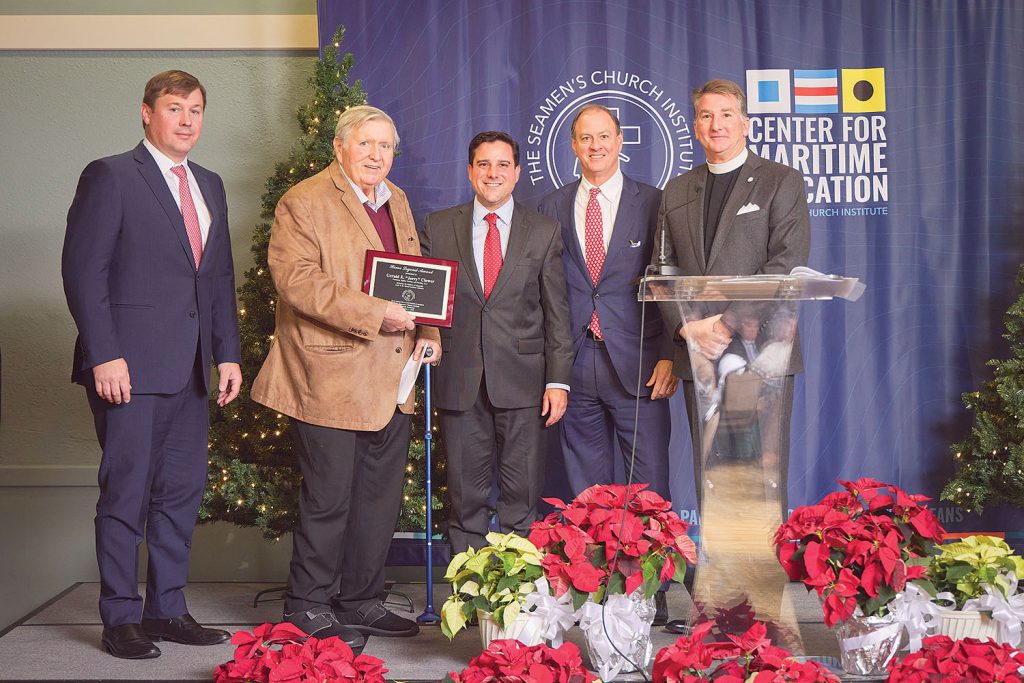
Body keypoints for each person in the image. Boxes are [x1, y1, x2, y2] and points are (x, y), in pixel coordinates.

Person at [62, 70, 242, 659]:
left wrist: (227, 354)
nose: (186, 120)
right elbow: (83, 272)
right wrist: (104, 354)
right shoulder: (112, 175)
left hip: (191, 370)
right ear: (146, 113)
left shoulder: (210, 185)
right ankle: (120, 619)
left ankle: (166, 609)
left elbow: (216, 278)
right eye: (173, 108)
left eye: (195, 110)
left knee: (179, 494)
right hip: (127, 370)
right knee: (126, 494)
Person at [250, 105, 441, 650]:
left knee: (378, 502)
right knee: (328, 499)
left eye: (385, 146)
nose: (377, 155)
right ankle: (308, 605)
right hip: (328, 376)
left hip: (393, 379)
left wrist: (429, 332)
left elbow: (417, 274)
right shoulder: (304, 201)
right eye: (366, 144)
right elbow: (297, 281)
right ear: (340, 148)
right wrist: (373, 312)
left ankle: (360, 601)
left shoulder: (396, 199)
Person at [653, 79, 809, 631]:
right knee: (712, 478)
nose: (715, 125)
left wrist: (721, 321)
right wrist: (687, 328)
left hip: (758, 352)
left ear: (745, 122)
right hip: (701, 358)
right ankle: (717, 607)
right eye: (704, 116)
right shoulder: (677, 190)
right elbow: (661, 273)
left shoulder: (781, 182)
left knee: (759, 479)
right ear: (694, 125)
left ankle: (760, 611)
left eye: (726, 114)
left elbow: (784, 265)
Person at [538, 103, 678, 625]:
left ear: (621, 141)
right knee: (587, 486)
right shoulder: (550, 205)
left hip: (641, 363)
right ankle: (596, 585)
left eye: (604, 137)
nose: (595, 146)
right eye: (584, 138)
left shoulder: (656, 203)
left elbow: (668, 280)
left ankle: (651, 593)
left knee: (649, 483)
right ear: (572, 145)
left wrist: (669, 354)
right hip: (575, 363)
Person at [420, 131, 573, 554]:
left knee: (520, 499)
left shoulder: (543, 231)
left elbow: (557, 313)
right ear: (470, 171)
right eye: (483, 164)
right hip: (459, 379)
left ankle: (516, 602)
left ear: (517, 172)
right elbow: (427, 305)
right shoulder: (438, 226)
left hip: (524, 384)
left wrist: (558, 381)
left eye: (503, 165)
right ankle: (468, 596)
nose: (493, 173)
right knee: (465, 498)